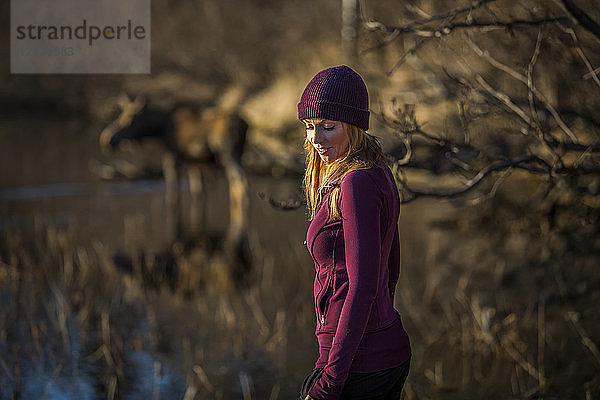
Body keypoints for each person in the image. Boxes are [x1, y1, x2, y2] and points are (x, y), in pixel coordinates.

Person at [297, 65, 411, 400]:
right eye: (309, 127)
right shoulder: (375, 170)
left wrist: (330, 381)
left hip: (359, 364)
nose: (315, 139)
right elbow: (391, 266)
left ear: (354, 126)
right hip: (373, 351)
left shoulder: (356, 182)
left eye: (328, 127)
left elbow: (362, 287)